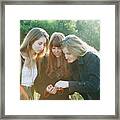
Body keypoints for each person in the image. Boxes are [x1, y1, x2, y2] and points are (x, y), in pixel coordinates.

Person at [55, 35, 100, 100]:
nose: (66, 57)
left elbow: (94, 86)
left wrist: (68, 84)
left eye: (68, 53)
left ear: (76, 50)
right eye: (64, 54)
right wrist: (59, 88)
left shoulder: (92, 58)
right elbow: (75, 86)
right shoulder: (73, 62)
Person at [34, 32, 70, 100]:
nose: (56, 51)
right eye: (53, 48)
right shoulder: (44, 60)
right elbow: (37, 83)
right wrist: (46, 89)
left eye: (59, 48)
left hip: (63, 98)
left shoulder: (69, 60)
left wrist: (62, 89)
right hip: (46, 98)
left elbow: (73, 84)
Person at [20, 27, 49, 100]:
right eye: (40, 43)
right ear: (31, 41)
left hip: (30, 94)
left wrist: (46, 89)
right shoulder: (19, 56)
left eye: (44, 44)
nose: (42, 47)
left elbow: (38, 84)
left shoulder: (39, 60)